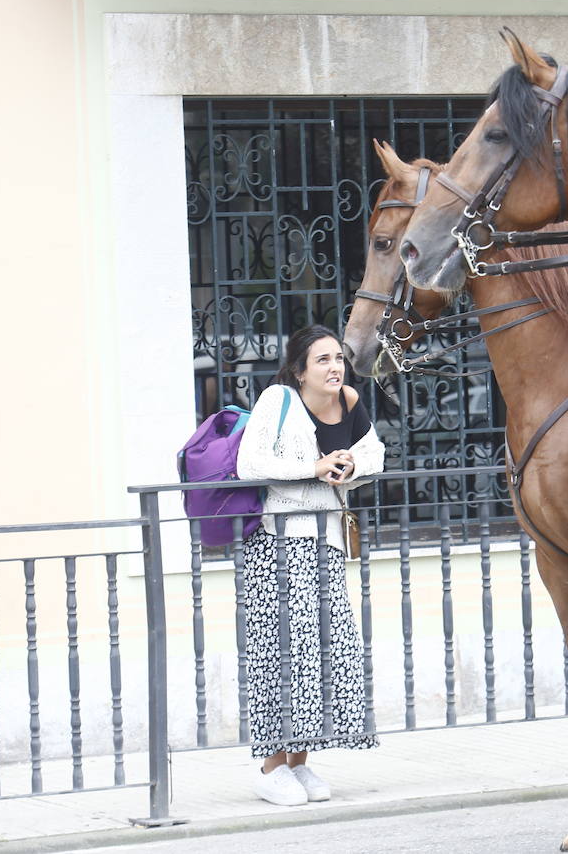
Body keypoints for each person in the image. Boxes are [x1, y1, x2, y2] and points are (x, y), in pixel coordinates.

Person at [235, 324, 386, 805]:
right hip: (278, 545)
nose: (334, 367)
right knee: (283, 654)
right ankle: (270, 767)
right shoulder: (277, 400)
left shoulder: (350, 401)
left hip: (326, 544)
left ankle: (300, 764)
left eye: (338, 357)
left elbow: (375, 451)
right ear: (299, 370)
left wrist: (350, 466)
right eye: (321, 360)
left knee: (322, 654)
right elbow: (249, 464)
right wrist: (314, 467)